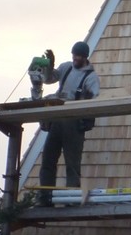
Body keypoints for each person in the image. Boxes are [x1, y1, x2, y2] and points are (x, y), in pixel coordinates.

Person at [37, 41, 100, 205]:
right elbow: (48, 79)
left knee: (72, 164)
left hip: (74, 121)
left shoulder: (91, 77)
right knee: (48, 160)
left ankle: (70, 201)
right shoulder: (67, 67)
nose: (75, 58)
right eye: (74, 55)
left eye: (78, 56)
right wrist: (49, 67)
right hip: (57, 119)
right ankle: (44, 199)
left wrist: (85, 109)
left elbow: (95, 101)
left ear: (85, 57)